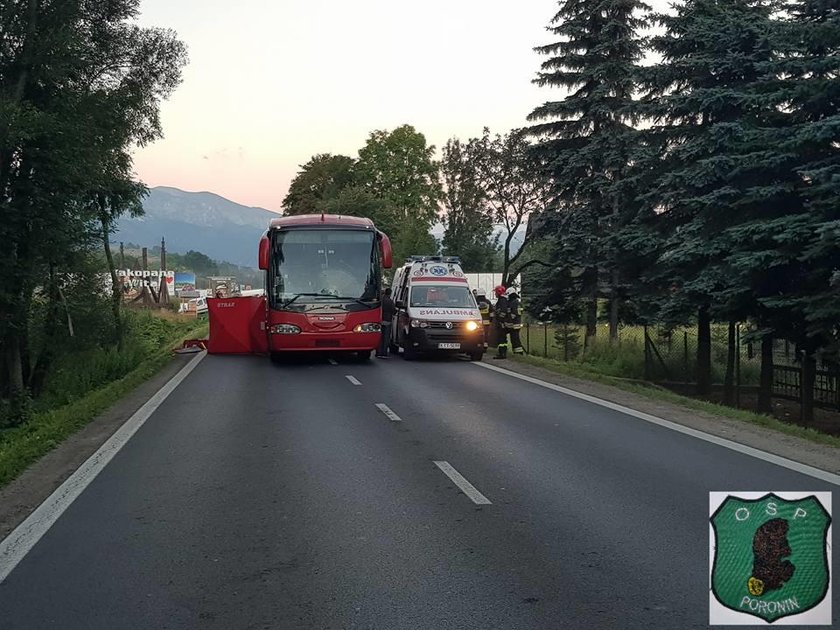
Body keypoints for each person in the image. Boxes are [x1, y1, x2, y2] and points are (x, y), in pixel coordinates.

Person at [377, 287, 396, 358]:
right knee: (386, 338)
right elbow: (393, 310)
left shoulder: (380, 300)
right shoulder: (390, 301)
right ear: (390, 293)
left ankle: (378, 352)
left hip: (379, 320)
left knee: (379, 337)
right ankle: (384, 353)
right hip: (387, 321)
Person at [492, 285, 509, 359]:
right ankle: (502, 353)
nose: (495, 294)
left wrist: (501, 321)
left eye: (495, 292)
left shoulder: (502, 300)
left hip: (502, 323)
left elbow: (503, 312)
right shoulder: (502, 300)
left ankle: (502, 354)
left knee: (501, 339)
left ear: (498, 292)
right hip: (502, 323)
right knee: (502, 339)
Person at [506, 288, 525, 355]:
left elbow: (514, 314)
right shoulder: (515, 302)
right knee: (514, 339)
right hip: (515, 324)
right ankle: (517, 352)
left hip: (514, 324)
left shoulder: (514, 303)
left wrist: (508, 321)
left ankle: (519, 352)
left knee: (515, 339)